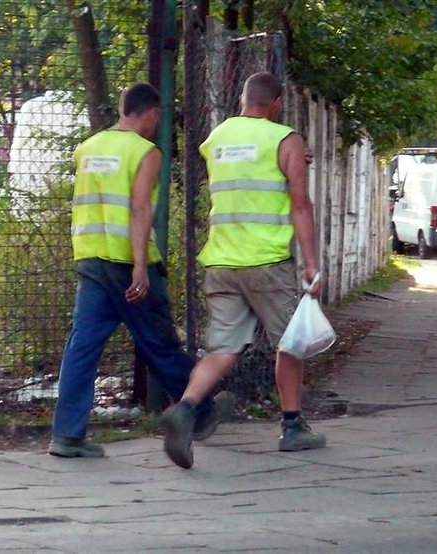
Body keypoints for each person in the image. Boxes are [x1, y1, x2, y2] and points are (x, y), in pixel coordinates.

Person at [49, 82, 229, 458]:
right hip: (127, 262)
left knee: (81, 347)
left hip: (91, 258)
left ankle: (67, 435)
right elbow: (139, 210)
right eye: (157, 116)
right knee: (158, 343)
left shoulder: (88, 147)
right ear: (149, 113)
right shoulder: (145, 152)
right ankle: (199, 408)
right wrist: (139, 268)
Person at [160, 72, 325, 469]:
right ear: (277, 103)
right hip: (266, 261)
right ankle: (292, 427)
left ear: (240, 101)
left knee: (223, 348)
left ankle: (185, 409)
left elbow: (247, 169)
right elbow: (300, 203)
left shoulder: (215, 140)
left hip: (221, 260)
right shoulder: (284, 138)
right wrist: (311, 263)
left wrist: (294, 156)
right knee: (290, 343)